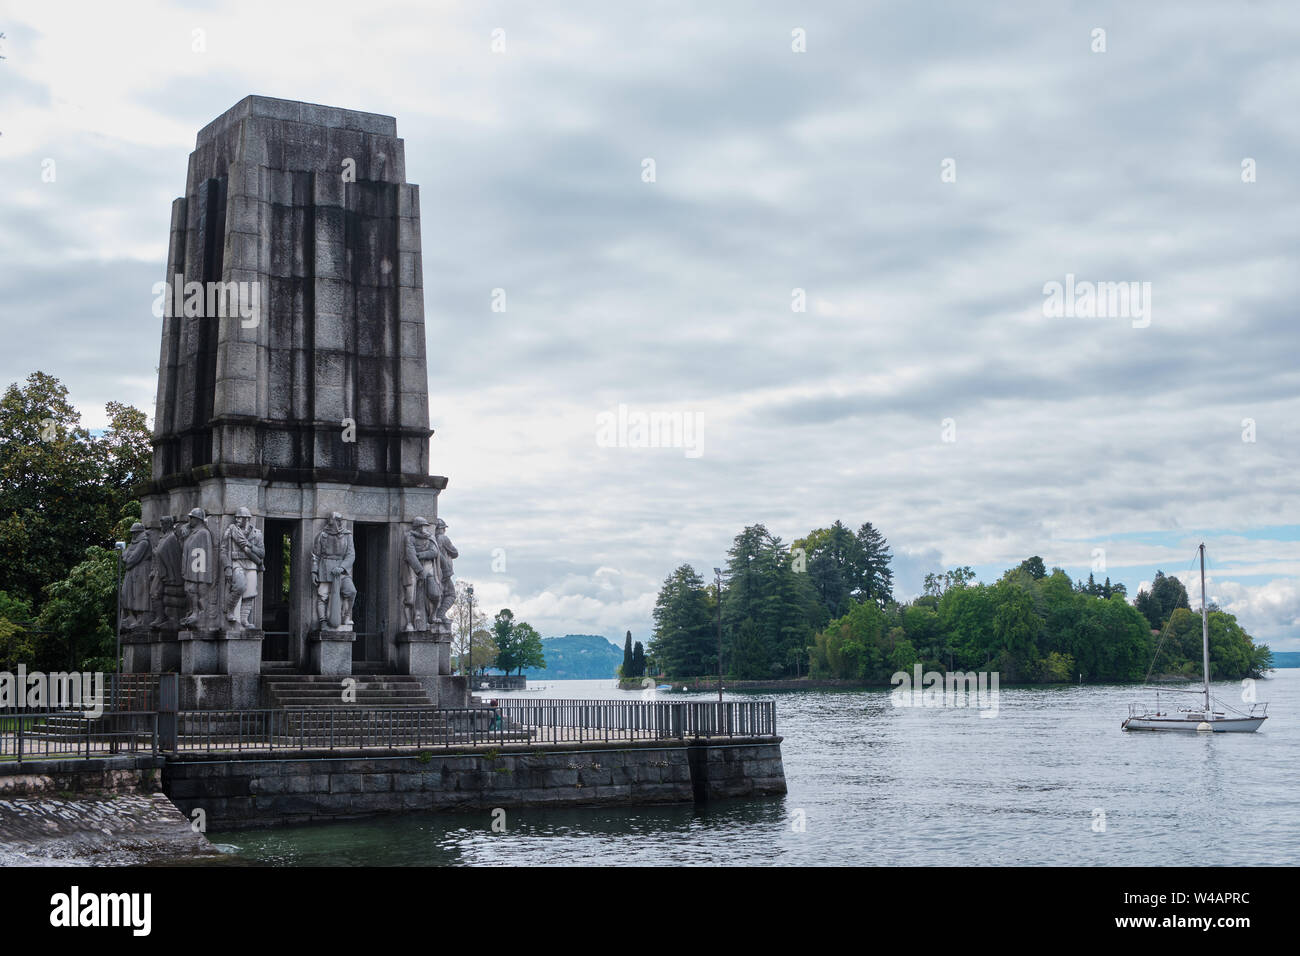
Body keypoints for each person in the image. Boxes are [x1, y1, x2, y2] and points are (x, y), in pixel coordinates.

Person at [312, 512, 356, 629]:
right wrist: (314, 572)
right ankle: (323, 621)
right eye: (337, 520)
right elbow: (315, 555)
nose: (339, 522)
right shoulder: (322, 535)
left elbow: (351, 554)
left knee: (351, 591)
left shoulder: (347, 535)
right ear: (332, 521)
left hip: (341, 570)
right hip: (325, 568)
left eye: (340, 520)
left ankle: (346, 617)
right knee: (323, 595)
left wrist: (342, 567)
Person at [402, 516, 440, 630]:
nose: (425, 528)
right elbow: (410, 555)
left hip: (428, 567)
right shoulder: (409, 537)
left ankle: (432, 616)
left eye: (426, 526)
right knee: (410, 598)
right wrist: (420, 570)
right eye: (422, 526)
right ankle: (409, 622)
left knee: (435, 594)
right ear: (417, 527)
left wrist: (421, 555)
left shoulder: (430, 537)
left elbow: (434, 552)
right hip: (412, 569)